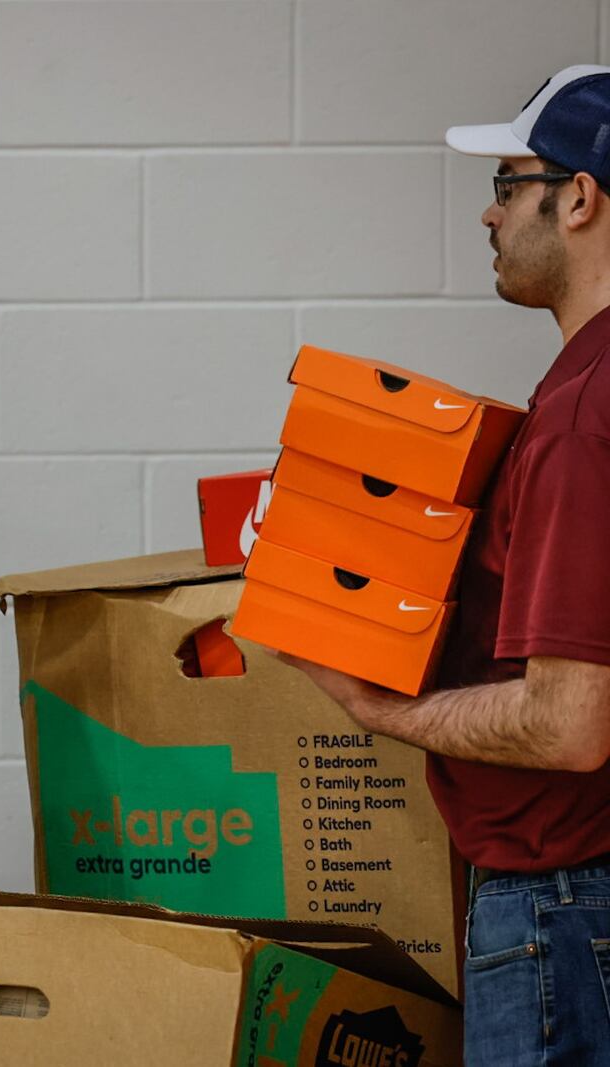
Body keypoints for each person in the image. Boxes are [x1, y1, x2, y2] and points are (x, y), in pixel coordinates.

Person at [279, 65, 610, 1064]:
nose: (487, 213)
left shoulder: (585, 410)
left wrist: (379, 707)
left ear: (581, 197)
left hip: (562, 903)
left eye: (509, 184)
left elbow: (568, 724)